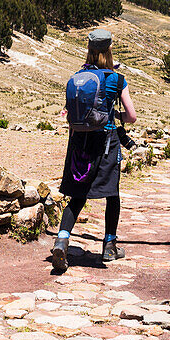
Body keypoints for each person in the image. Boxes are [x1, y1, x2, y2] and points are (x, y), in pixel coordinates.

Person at [52, 29, 136, 272]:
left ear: (89, 51)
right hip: (106, 143)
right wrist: (115, 113)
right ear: (109, 51)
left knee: (77, 196)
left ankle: (62, 239)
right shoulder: (116, 79)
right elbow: (131, 117)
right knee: (112, 195)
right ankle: (109, 246)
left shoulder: (78, 77)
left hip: (79, 144)